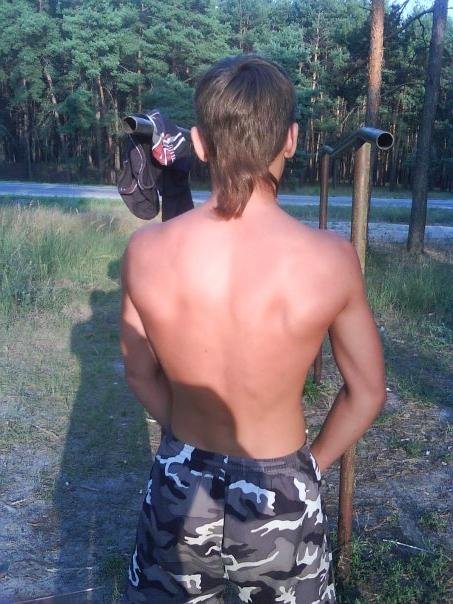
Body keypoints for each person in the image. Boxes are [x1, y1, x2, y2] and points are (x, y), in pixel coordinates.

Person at [120, 55, 386, 604]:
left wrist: (183, 440)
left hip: (179, 482)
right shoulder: (330, 259)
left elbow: (140, 372)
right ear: (291, 139)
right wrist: (312, 465)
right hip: (280, 490)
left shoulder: (145, 250)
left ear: (199, 143)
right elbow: (367, 392)